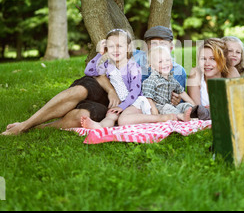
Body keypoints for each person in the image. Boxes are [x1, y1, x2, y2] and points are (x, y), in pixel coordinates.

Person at [2, 26, 186, 135]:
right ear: (145, 46)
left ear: (171, 47)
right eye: (153, 44)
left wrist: (174, 100)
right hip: (103, 87)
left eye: (163, 44)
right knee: (79, 91)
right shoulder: (133, 56)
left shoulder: (177, 71)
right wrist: (108, 81)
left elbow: (174, 96)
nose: (158, 48)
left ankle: (38, 127)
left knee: (82, 116)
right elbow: (91, 71)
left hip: (123, 103)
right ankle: (25, 125)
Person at [80, 29, 143, 129]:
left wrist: (122, 106)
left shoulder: (133, 67)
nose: (115, 50)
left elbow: (135, 91)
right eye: (111, 46)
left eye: (119, 46)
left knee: (124, 117)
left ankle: (152, 118)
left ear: (128, 47)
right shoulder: (108, 65)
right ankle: (99, 126)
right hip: (119, 103)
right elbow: (89, 72)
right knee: (110, 116)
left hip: (134, 102)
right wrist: (100, 54)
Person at [116, 46, 195, 126]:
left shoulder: (172, 80)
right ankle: (180, 116)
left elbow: (181, 92)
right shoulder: (152, 80)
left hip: (169, 106)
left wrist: (193, 104)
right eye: (160, 61)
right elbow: (148, 97)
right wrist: (154, 111)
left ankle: (194, 112)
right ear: (152, 66)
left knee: (184, 105)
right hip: (158, 107)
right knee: (167, 108)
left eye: (168, 60)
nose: (165, 63)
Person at [187, 38, 240, 120]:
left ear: (223, 60)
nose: (207, 64)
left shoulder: (231, 71)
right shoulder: (195, 74)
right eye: (203, 59)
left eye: (213, 59)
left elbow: (239, 105)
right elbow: (198, 112)